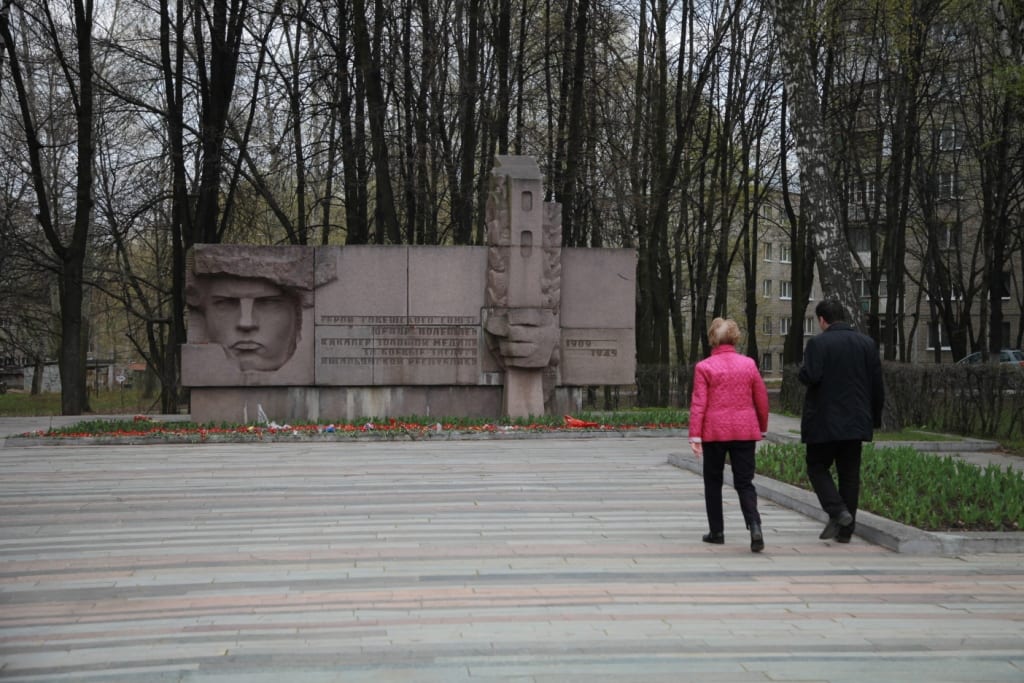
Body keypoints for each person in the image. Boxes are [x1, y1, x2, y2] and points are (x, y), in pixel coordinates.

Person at [799, 299, 885, 543]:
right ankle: (846, 532)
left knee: (816, 467)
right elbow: (876, 385)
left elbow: (811, 375)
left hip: (824, 421)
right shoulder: (866, 344)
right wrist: (874, 418)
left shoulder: (818, 343)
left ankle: (837, 511)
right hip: (856, 421)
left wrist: (802, 372)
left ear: (822, 320)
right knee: (849, 474)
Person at [688, 317, 770, 553]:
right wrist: (762, 426)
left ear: (713, 338)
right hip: (745, 430)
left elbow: (699, 403)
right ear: (735, 337)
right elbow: (761, 399)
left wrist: (695, 436)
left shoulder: (705, 367)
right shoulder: (749, 364)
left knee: (713, 482)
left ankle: (717, 532)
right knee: (745, 482)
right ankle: (754, 525)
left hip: (714, 431)